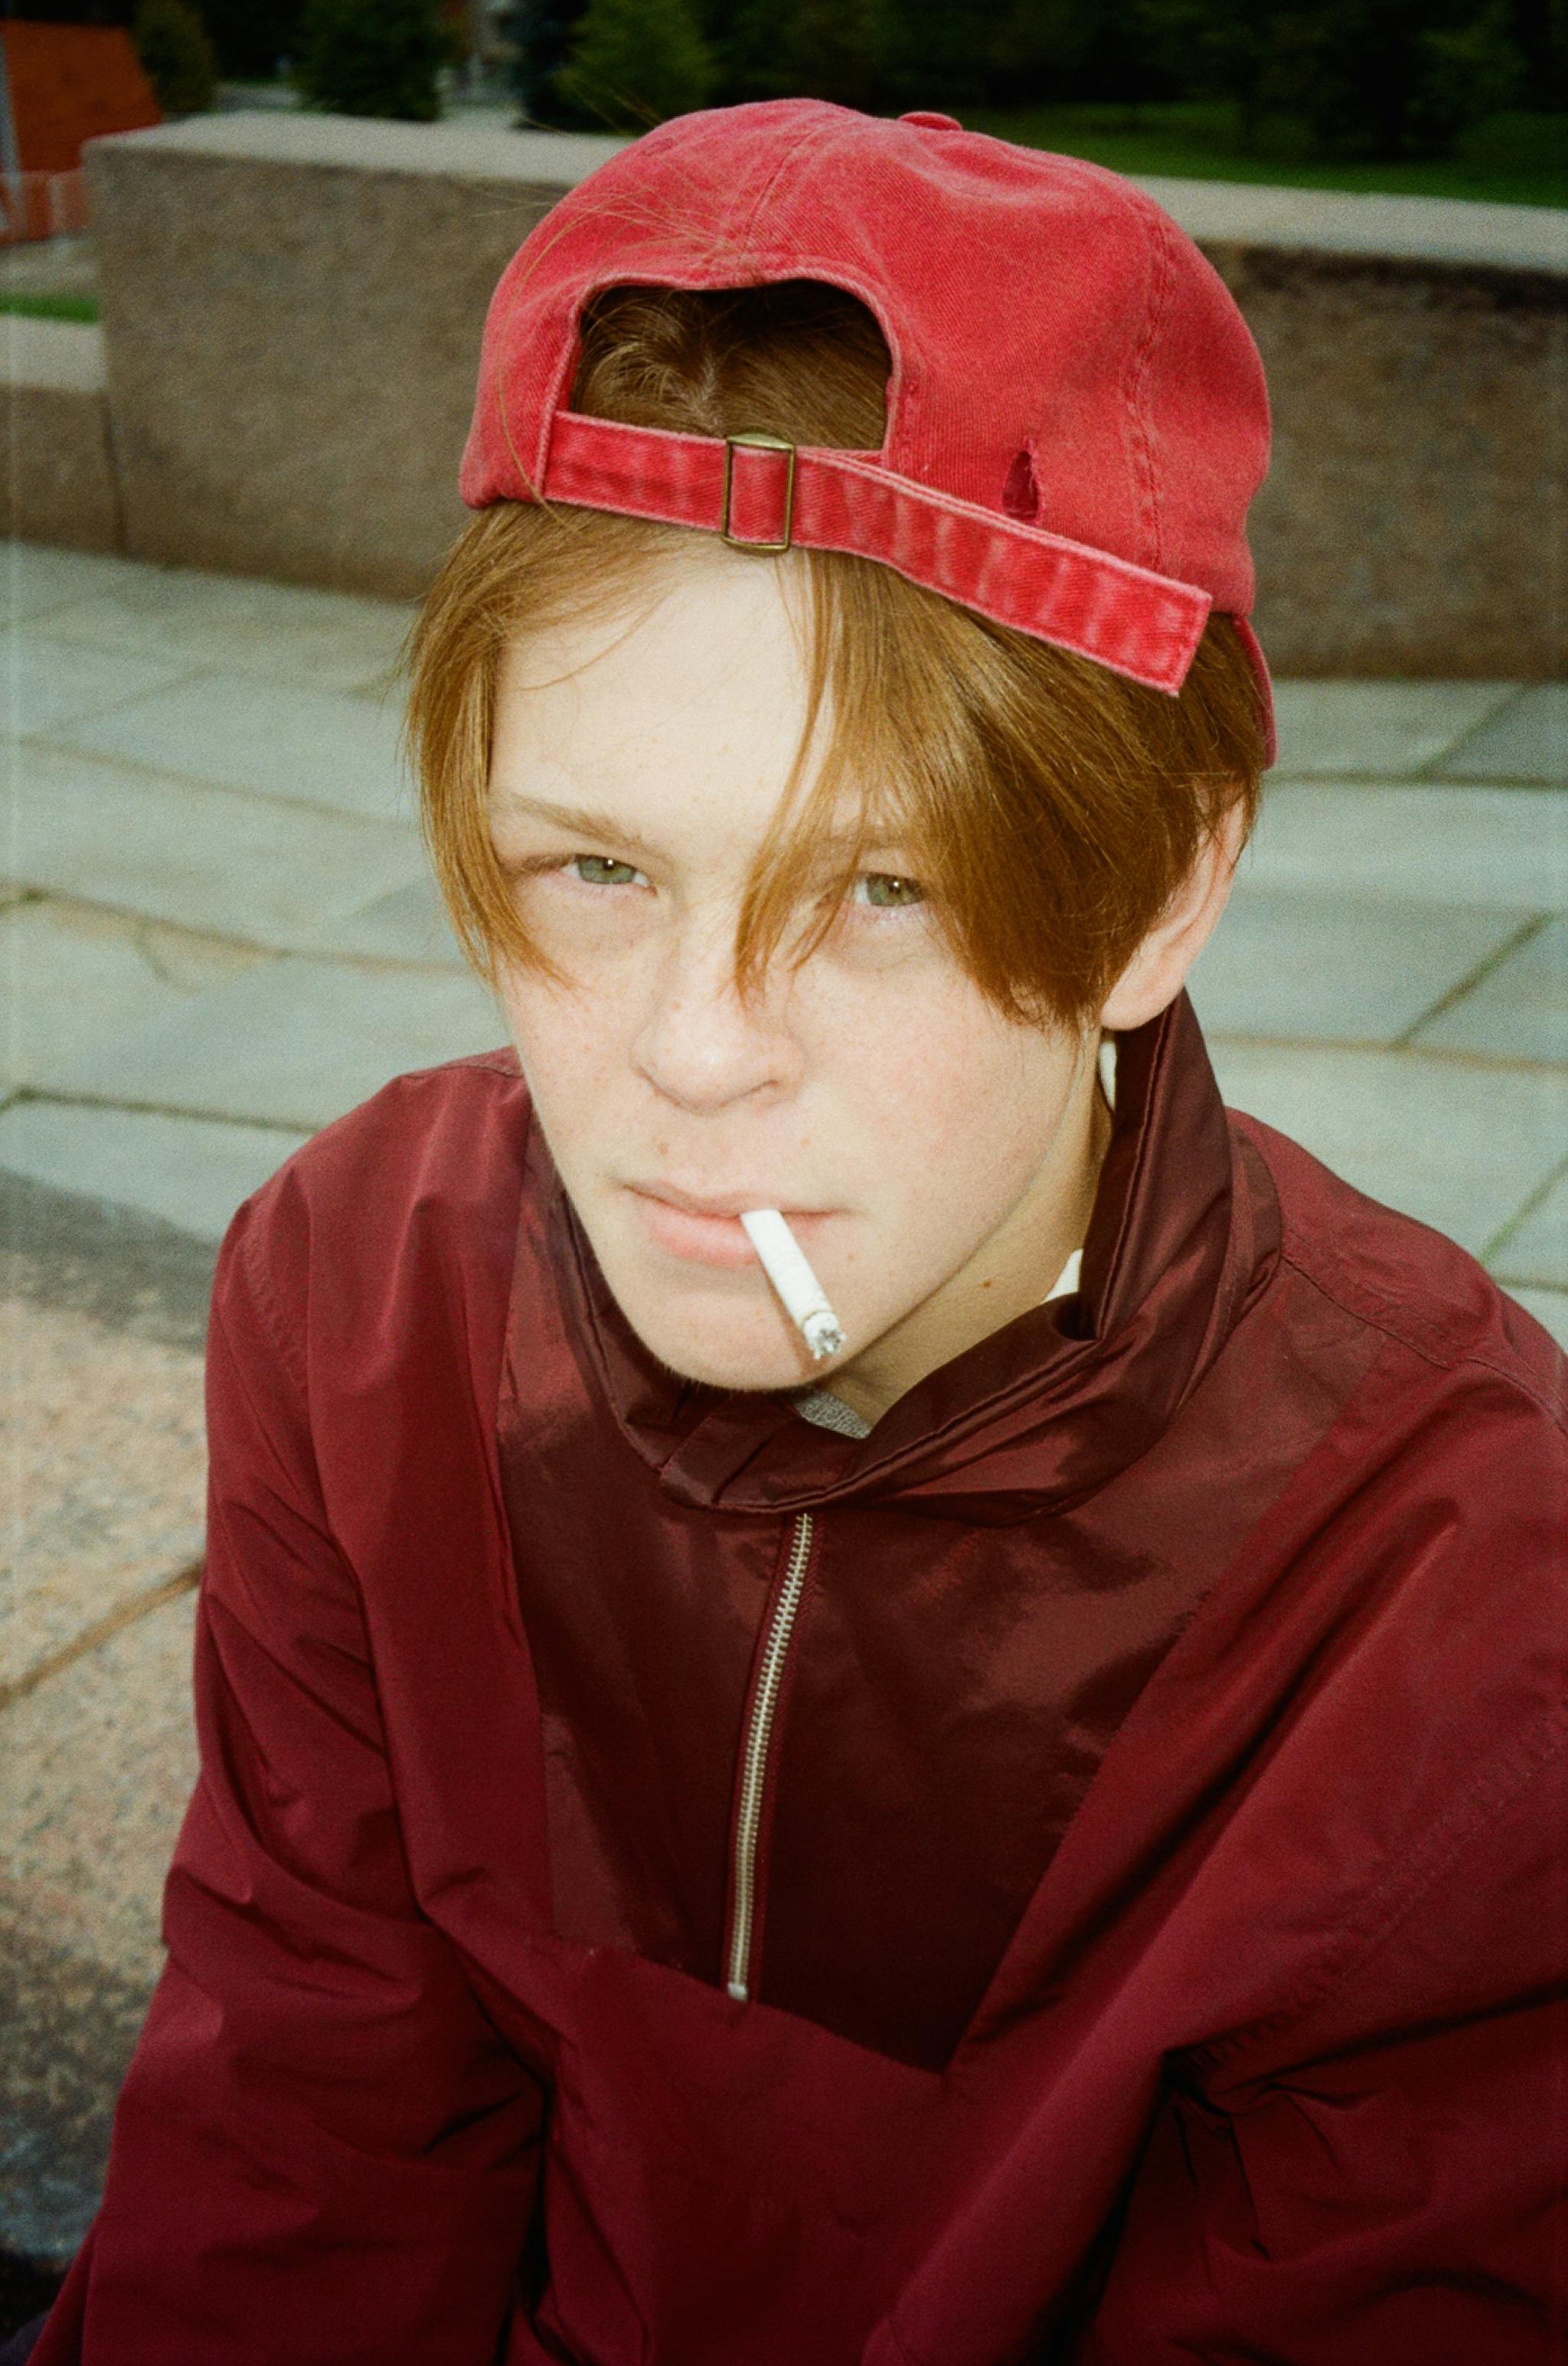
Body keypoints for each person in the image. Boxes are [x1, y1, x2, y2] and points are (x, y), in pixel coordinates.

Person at [21, 99, 1567, 2366]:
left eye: (880, 888)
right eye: (595, 869)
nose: (694, 1054)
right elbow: (302, 2135)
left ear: (1160, 885)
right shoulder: (361, 1295)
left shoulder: (1451, 1590)